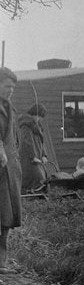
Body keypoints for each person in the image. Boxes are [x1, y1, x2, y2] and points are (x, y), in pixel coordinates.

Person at [0, 67, 22, 274]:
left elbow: (14, 140)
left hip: (9, 170)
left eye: (13, 87)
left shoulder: (10, 109)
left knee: (6, 217)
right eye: (7, 86)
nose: (11, 90)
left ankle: (2, 262)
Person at [18, 103, 48, 193]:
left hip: (38, 157)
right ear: (34, 114)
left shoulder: (38, 126)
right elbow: (27, 142)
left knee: (42, 179)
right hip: (28, 157)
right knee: (37, 177)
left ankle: (37, 196)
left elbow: (42, 142)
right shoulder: (25, 125)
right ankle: (29, 196)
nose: (40, 119)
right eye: (39, 116)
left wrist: (44, 155)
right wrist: (33, 156)